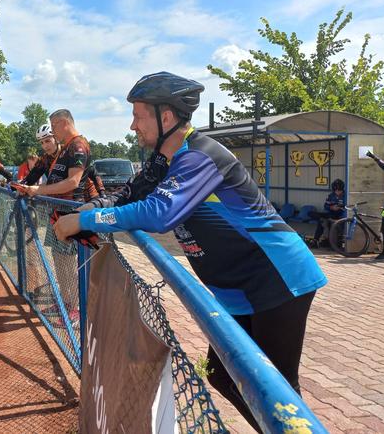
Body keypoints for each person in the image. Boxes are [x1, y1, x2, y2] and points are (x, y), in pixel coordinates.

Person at [53, 71, 327, 432]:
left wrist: (90, 221)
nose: (132, 125)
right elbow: (131, 194)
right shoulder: (162, 161)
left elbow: (160, 213)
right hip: (240, 287)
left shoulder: (200, 156)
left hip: (277, 276)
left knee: (279, 392)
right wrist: (93, 207)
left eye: (138, 114)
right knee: (223, 375)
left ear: (166, 117)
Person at [19, 111, 93, 328]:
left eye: (53, 126)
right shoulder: (66, 148)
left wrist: (38, 190)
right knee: (59, 259)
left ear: (62, 123)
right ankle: (66, 303)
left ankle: (77, 309)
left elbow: (72, 183)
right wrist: (28, 186)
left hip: (72, 211)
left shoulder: (78, 145)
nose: (52, 131)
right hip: (58, 211)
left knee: (71, 263)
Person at [308, 179, 346, 247]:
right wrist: (331, 207)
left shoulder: (346, 196)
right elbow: (326, 205)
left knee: (323, 222)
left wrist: (340, 209)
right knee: (311, 213)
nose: (337, 192)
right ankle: (322, 221)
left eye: (339, 190)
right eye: (335, 190)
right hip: (331, 214)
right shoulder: (331, 195)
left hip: (340, 215)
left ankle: (316, 239)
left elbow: (348, 208)